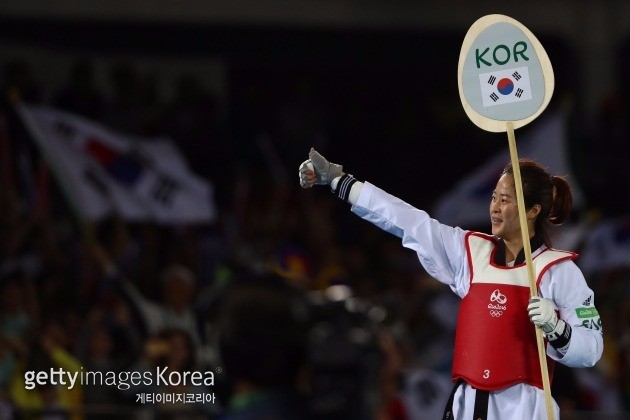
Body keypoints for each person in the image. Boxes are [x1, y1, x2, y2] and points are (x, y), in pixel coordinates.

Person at [298, 148, 603, 419]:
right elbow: (407, 220)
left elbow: (591, 349)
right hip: (465, 405)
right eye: (494, 197)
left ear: (533, 211)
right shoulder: (470, 253)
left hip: (523, 408)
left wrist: (557, 329)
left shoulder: (558, 271)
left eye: (505, 200)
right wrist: (341, 182)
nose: (495, 207)